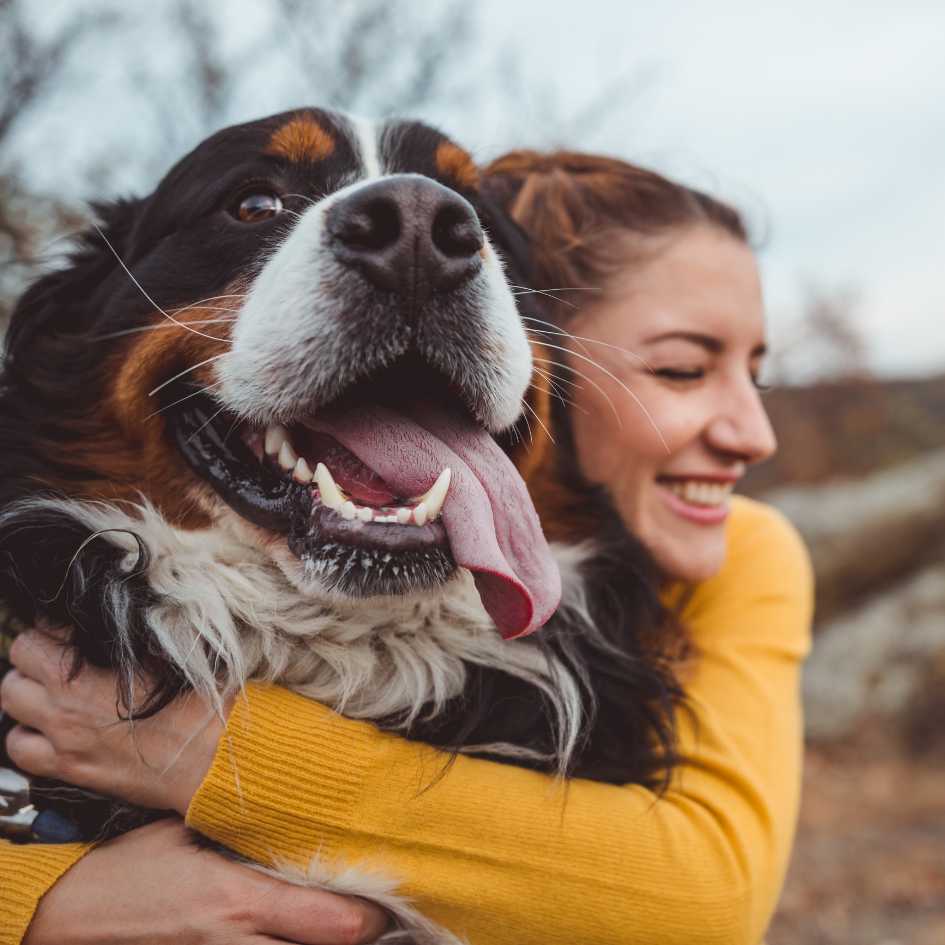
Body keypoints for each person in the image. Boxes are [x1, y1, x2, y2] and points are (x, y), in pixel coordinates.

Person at [0, 151, 812, 945]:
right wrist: (39, 898)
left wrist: (212, 755)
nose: (755, 435)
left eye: (756, 373)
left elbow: (706, 898)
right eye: (679, 369)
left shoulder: (744, 553)